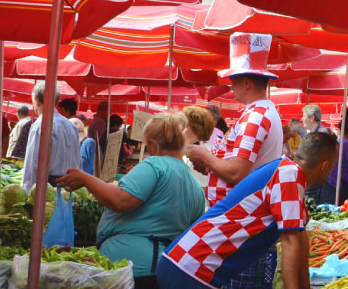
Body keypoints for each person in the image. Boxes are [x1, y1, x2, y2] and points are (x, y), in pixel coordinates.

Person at [157, 132, 340, 289]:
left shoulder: (288, 173)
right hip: (191, 267)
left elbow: (300, 239)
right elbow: (290, 242)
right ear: (325, 165)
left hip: (190, 265)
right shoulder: (288, 174)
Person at [57, 113, 206, 288]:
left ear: (152, 145)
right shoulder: (195, 185)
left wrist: (85, 179)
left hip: (131, 270)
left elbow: (120, 201)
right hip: (164, 268)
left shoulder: (154, 165)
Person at [186, 33, 285, 208]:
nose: (231, 87)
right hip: (238, 208)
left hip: (236, 211)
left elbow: (237, 173)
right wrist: (211, 165)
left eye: (233, 80)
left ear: (247, 82)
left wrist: (205, 156)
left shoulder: (255, 116)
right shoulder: (261, 112)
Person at [22, 83, 82, 191]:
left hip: (47, 187)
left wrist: (27, 191)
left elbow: (32, 164)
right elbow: (78, 161)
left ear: (36, 100)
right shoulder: (71, 126)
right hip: (70, 186)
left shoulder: (41, 125)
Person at [179, 106, 217, 183]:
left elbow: (202, 189)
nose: (178, 127)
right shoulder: (193, 148)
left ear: (190, 127)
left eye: (181, 123)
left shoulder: (199, 153)